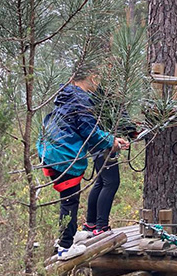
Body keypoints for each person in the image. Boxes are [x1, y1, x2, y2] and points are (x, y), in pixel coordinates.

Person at [38, 66, 129, 261]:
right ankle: (65, 247)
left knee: (67, 199)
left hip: (51, 152)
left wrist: (109, 139)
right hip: (65, 156)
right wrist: (111, 141)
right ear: (92, 77)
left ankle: (64, 237)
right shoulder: (81, 100)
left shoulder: (66, 95)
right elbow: (90, 131)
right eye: (98, 78)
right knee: (70, 201)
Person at [75, 89, 138, 241]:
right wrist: (132, 131)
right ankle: (101, 227)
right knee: (111, 182)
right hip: (103, 139)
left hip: (97, 138)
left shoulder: (97, 88)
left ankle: (91, 224)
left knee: (102, 181)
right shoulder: (107, 88)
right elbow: (117, 111)